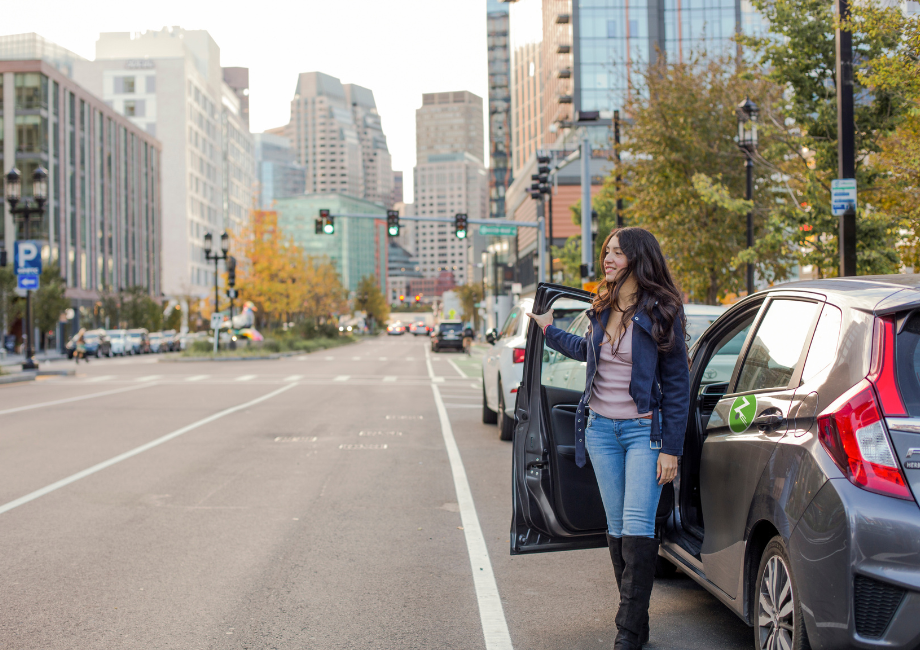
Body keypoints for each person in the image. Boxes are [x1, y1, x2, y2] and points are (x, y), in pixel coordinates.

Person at [526, 227, 690, 650]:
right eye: (607, 252)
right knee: (616, 528)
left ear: (638, 257)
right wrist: (548, 330)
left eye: (617, 252)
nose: (608, 258)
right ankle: (637, 622)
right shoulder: (603, 305)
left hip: (643, 432)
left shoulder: (663, 310)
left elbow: (676, 386)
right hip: (599, 429)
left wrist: (671, 448)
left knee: (637, 527)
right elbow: (588, 351)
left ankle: (627, 634)